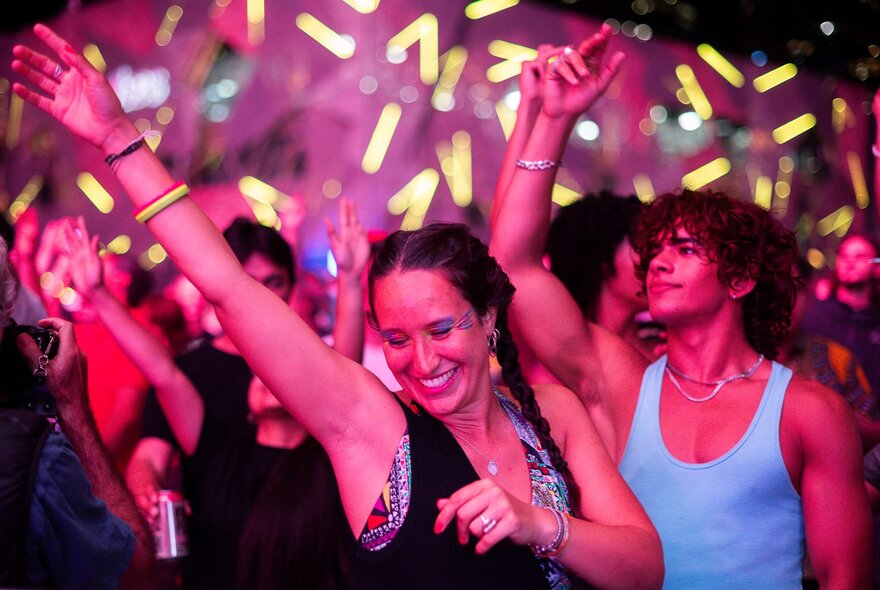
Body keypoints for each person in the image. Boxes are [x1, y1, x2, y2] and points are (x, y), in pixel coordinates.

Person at [12, 23, 663, 589]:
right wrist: (118, 137)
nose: (422, 359)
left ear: (489, 320)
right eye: (398, 339)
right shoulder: (374, 433)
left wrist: (537, 524)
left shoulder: (550, 414)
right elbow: (228, 287)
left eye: (440, 328)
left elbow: (644, 568)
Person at [489, 25, 870, 588]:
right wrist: (553, 119)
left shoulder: (808, 411)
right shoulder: (622, 381)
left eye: (685, 249)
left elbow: (846, 577)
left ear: (739, 279)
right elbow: (514, 263)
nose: (658, 263)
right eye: (656, 250)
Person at [60, 215, 353, 590]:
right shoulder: (218, 451)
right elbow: (164, 375)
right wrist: (99, 294)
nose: (268, 375)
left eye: (273, 282)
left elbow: (347, 367)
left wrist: (350, 277)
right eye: (245, 283)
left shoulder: (327, 452)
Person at [0, 238, 154, 588]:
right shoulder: (34, 458)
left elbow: (127, 415)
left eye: (104, 269)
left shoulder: (137, 331)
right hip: (85, 468)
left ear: (124, 282)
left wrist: (78, 479)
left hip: (100, 472)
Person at [800, 232, 880, 396]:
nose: (849, 262)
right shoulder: (815, 315)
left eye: (860, 257)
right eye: (843, 255)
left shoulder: (875, 322)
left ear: (877, 267)